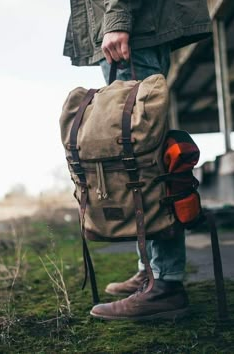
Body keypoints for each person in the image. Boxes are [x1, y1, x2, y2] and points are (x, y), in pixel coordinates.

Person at [64, 0, 212, 320]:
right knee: (136, 154)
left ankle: (164, 285)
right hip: (136, 24)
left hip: (136, 24)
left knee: (146, 160)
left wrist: (117, 18)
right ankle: (150, 272)